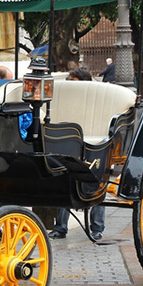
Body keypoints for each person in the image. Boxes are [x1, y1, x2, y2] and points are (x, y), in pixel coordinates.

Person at [48, 67, 106, 240]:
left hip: (94, 143)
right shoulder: (67, 99)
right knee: (64, 182)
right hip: (71, 141)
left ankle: (97, 228)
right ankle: (60, 227)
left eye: (72, 81)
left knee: (97, 184)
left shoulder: (95, 98)